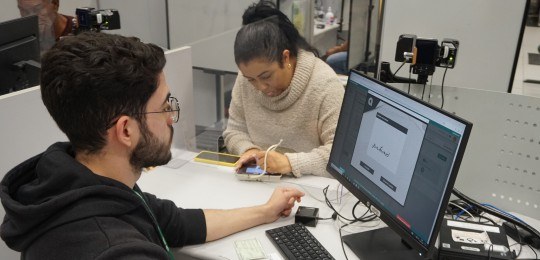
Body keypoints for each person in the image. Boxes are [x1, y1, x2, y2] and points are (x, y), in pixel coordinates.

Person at [0, 32, 304, 259]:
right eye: (164, 106)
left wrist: (265, 211)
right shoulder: (114, 249)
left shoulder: (80, 185)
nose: (172, 118)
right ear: (126, 131)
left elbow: (179, 223)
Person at [223, 1, 345, 178]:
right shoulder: (246, 78)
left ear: (285, 57)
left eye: (266, 77)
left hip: (310, 188)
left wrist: (289, 163)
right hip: (259, 183)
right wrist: (250, 151)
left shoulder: (324, 84)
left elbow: (338, 155)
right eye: (251, 80)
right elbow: (234, 131)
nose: (260, 87)